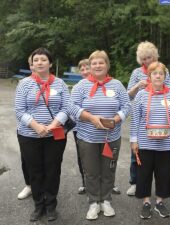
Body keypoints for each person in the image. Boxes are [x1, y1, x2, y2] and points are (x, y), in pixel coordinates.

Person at [71, 50, 130, 220]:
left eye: (101, 62)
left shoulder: (117, 85)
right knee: (91, 171)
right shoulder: (81, 86)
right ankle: (93, 202)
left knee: (108, 170)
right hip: (87, 138)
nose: (97, 66)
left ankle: (106, 199)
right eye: (94, 63)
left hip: (111, 138)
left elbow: (127, 106)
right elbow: (72, 107)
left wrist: (117, 119)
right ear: (89, 67)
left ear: (107, 65)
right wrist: (91, 117)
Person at [15, 48, 70, 222]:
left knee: (53, 170)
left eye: (43, 59)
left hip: (55, 136)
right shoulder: (24, 84)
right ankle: (39, 204)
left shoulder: (60, 84)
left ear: (50, 63)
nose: (39, 62)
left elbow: (66, 108)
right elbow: (19, 110)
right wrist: (36, 126)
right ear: (32, 64)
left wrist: (53, 125)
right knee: (35, 170)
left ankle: (51, 205)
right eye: (36, 60)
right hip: (29, 135)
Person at [130, 62, 170, 219]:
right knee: (144, 173)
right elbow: (135, 119)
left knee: (164, 173)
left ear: (165, 77)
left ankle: (160, 202)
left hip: (166, 145)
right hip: (145, 143)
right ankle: (146, 202)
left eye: (161, 73)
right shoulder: (141, 95)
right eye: (155, 73)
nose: (158, 76)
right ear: (149, 76)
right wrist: (134, 140)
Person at [126, 41, 170, 196]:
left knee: (158, 153)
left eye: (150, 57)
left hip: (159, 116)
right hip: (141, 117)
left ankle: (159, 187)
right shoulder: (136, 73)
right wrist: (138, 86)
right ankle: (135, 182)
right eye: (144, 58)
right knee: (137, 153)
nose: (148, 61)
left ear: (155, 56)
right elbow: (128, 95)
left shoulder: (163, 70)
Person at [17, 55, 33, 200]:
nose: (36, 64)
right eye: (33, 62)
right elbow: (20, 110)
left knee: (47, 163)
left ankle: (45, 189)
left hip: (51, 132)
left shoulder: (55, 83)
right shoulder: (24, 83)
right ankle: (29, 185)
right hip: (27, 131)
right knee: (27, 160)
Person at [73, 59, 90, 194]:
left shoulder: (104, 84)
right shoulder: (77, 87)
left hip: (99, 127)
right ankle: (85, 182)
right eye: (82, 69)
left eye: (87, 68)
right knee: (82, 155)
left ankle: (108, 182)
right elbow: (73, 107)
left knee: (105, 155)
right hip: (80, 127)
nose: (84, 72)